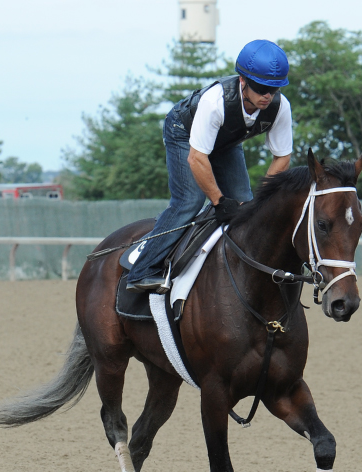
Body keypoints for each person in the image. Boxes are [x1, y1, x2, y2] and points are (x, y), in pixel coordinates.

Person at [126, 39, 293, 293]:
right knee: (189, 201)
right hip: (183, 133)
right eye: (261, 88)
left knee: (247, 205)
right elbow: (197, 158)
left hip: (226, 141)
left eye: (274, 89)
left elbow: (282, 158)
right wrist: (218, 201)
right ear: (242, 81)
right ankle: (143, 270)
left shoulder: (280, 107)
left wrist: (261, 200)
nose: (267, 96)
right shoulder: (215, 101)